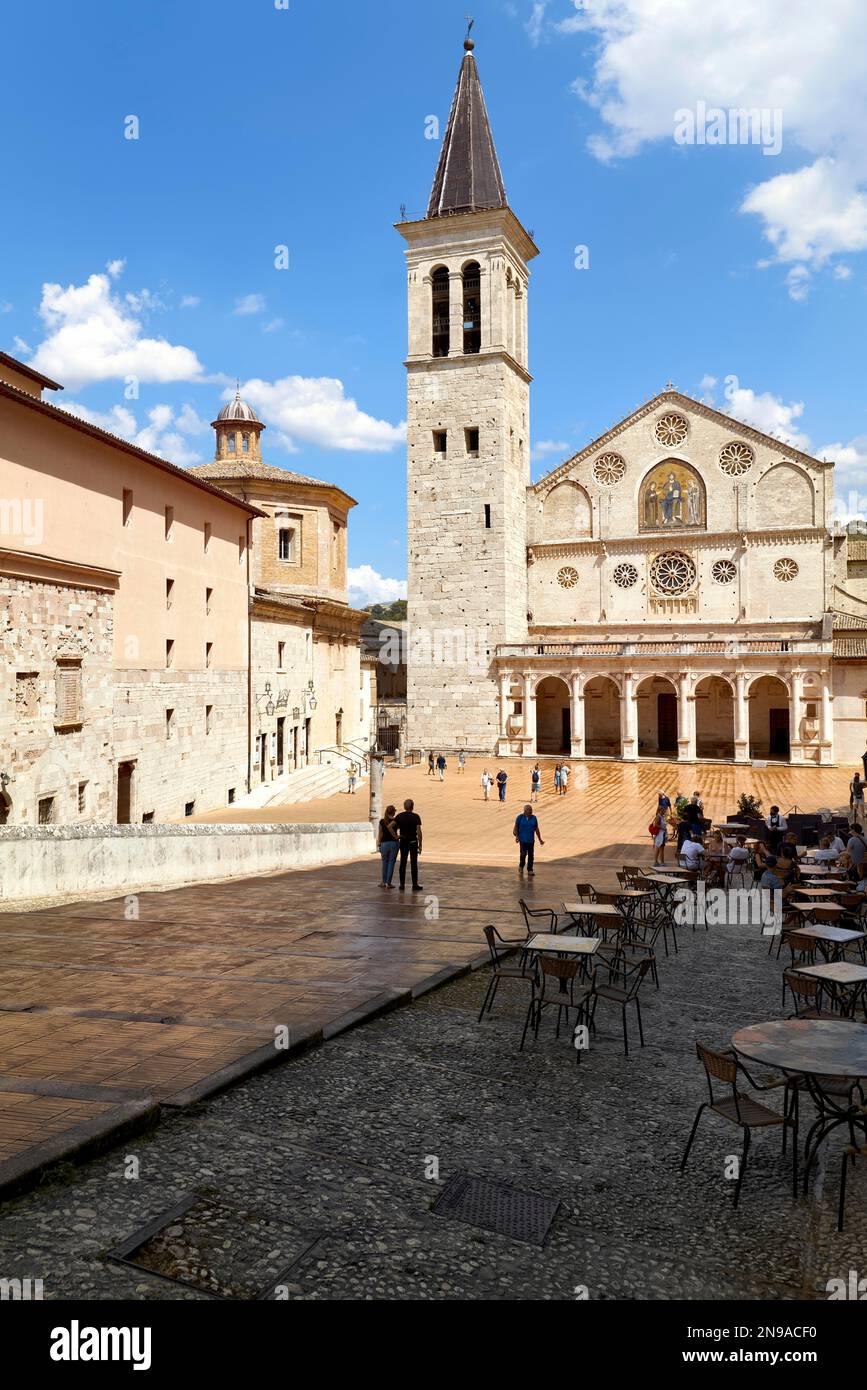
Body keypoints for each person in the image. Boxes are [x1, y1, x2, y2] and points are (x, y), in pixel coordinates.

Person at [394, 798, 424, 892]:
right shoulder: (416, 817)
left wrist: (396, 836)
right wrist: (420, 844)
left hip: (403, 841)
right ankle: (414, 884)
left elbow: (391, 826)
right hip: (413, 842)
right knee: (414, 864)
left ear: (404, 807)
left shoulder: (399, 816)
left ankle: (402, 885)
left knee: (403, 863)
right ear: (412, 807)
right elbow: (418, 831)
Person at [514, 804, 544, 875]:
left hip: (531, 840)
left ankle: (530, 869)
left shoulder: (534, 818)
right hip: (522, 840)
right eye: (529, 810)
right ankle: (521, 866)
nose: (531, 812)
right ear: (525, 811)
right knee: (523, 854)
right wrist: (517, 837)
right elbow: (516, 827)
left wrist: (540, 839)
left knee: (531, 855)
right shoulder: (520, 817)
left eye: (531, 810)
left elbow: (536, 829)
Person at [376, 804, 399, 889]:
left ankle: (383, 881)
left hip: (384, 844)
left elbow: (380, 833)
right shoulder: (396, 821)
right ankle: (388, 883)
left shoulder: (382, 821)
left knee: (384, 862)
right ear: (394, 812)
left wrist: (378, 843)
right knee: (391, 863)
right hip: (394, 843)